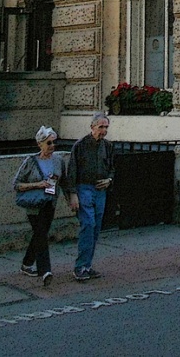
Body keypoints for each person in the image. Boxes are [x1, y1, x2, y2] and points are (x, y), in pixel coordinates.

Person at [12, 126, 71, 286]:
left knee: (40, 234)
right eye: (49, 143)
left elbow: (64, 181)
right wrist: (38, 184)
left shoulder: (58, 161)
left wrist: (71, 198)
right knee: (41, 236)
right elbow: (17, 184)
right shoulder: (30, 161)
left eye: (54, 143)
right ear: (40, 144)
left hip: (49, 203)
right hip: (34, 205)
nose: (52, 146)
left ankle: (26, 263)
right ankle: (45, 270)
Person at [69, 113, 114, 281]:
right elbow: (72, 169)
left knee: (95, 228)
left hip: (100, 189)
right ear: (92, 127)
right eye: (100, 127)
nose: (103, 131)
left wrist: (109, 180)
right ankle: (80, 266)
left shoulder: (108, 146)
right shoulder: (80, 145)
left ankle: (87, 265)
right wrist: (73, 194)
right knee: (88, 224)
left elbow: (112, 167)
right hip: (84, 188)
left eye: (106, 127)